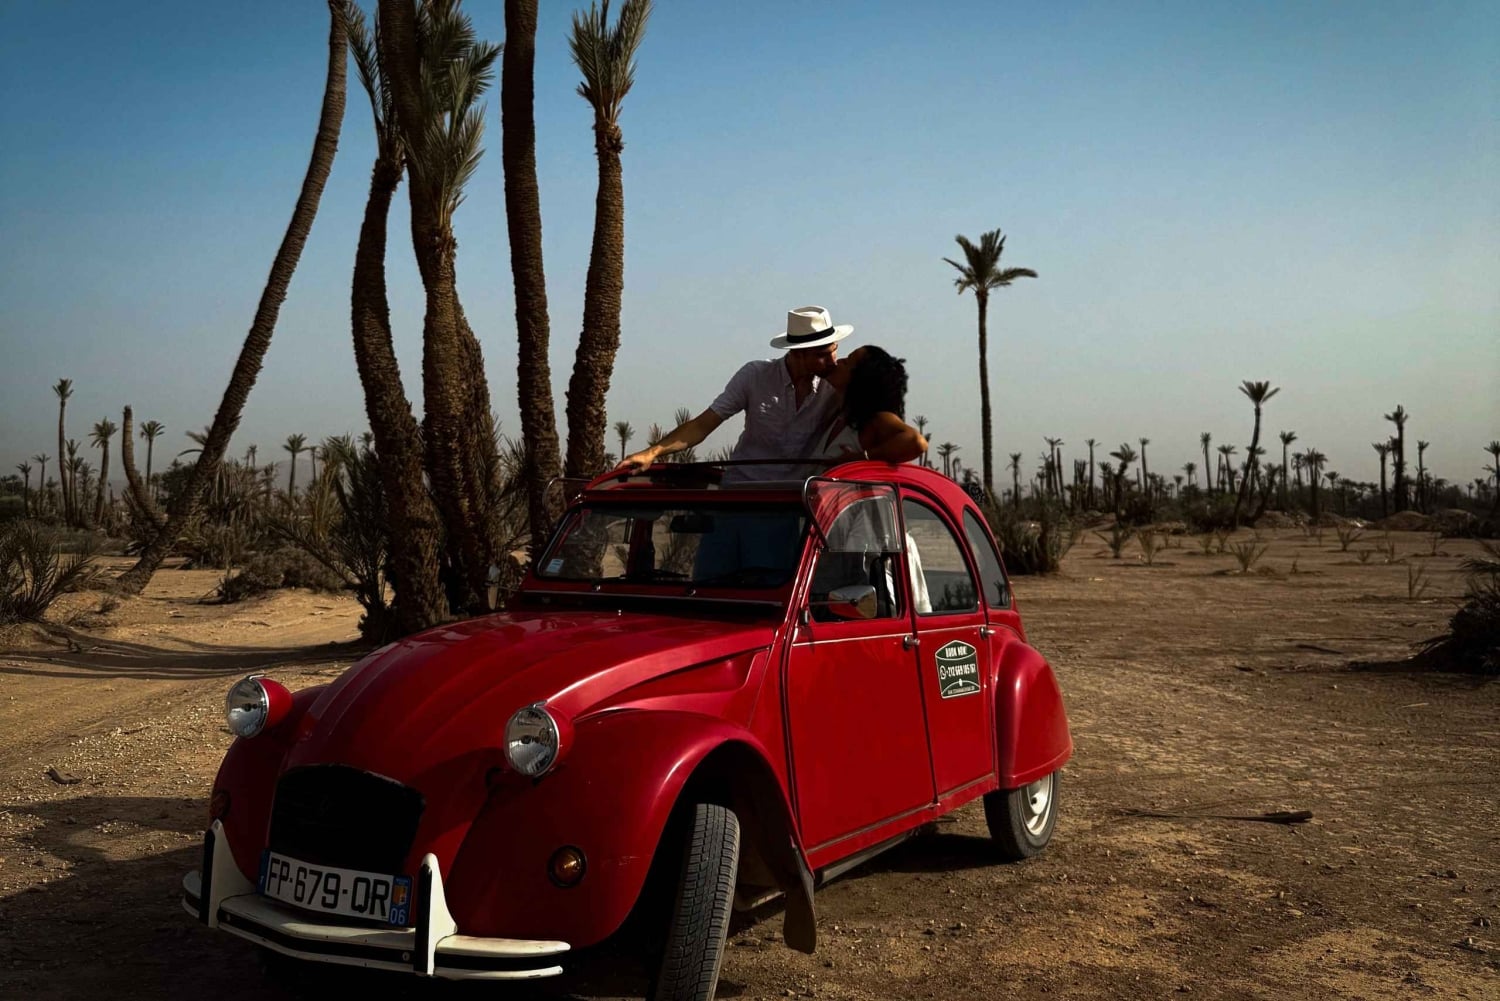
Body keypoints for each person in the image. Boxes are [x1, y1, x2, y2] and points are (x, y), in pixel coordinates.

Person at [616, 305, 850, 483]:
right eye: (822, 354)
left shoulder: (837, 385)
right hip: (740, 493)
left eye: (834, 350)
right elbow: (702, 425)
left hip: (792, 500)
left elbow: (873, 419)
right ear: (797, 354)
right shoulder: (755, 376)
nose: (833, 360)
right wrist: (652, 452)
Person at [815, 345, 929, 465]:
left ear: (861, 379)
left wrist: (863, 457)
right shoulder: (839, 415)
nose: (839, 361)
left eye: (847, 362)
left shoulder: (873, 420)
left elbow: (917, 442)